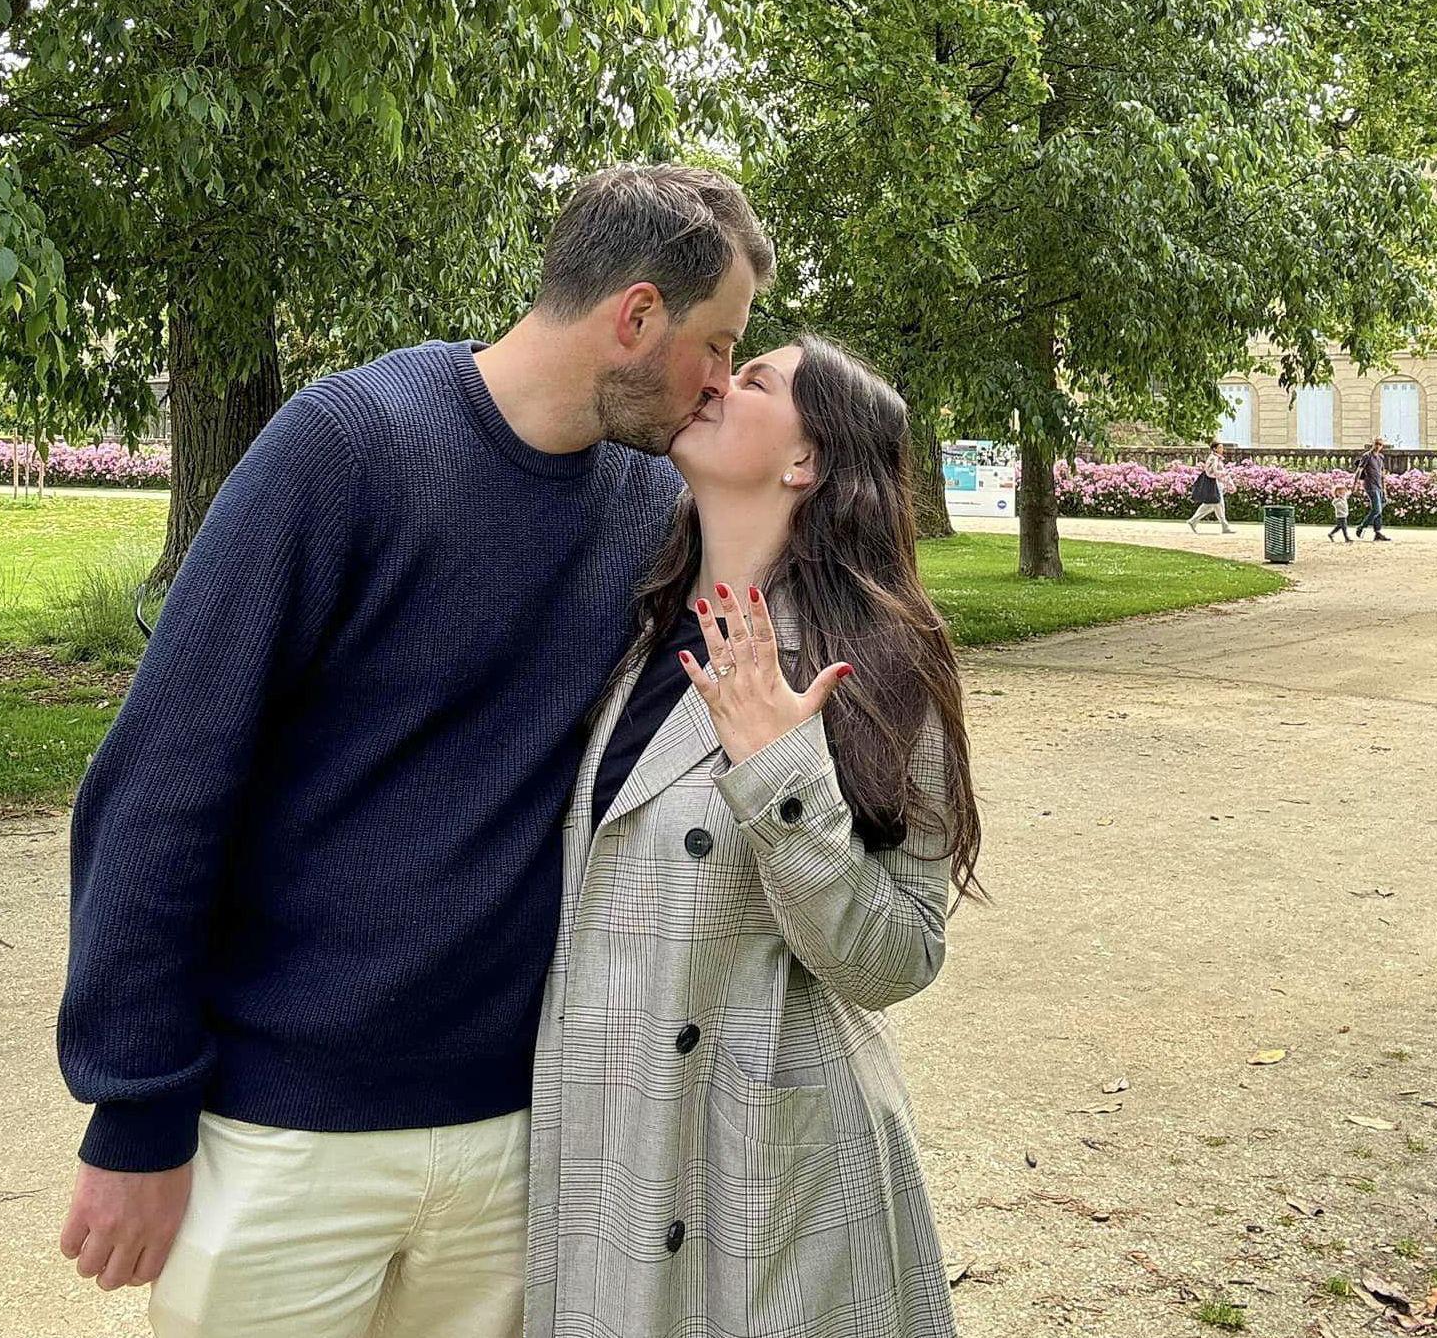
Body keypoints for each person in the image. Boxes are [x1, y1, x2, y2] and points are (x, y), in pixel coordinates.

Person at [55, 163, 775, 1338]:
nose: (719, 382)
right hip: (285, 1138)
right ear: (636, 315)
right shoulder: (347, 447)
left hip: (513, 1138)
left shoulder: (649, 510)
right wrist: (134, 1112)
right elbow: (163, 782)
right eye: (717, 342)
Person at [526, 335, 983, 1337]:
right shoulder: (631, 627)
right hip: (615, 1150)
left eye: (757, 379)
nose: (718, 383)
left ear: (804, 460)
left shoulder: (876, 657)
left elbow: (901, 953)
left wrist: (784, 780)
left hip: (775, 1184)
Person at [1187, 440, 1236, 534]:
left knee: (1212, 505)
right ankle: (1224, 526)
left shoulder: (1216, 458)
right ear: (1215, 449)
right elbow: (1213, 472)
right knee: (1217, 504)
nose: (1222, 449)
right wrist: (1226, 475)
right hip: (1213, 484)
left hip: (1215, 483)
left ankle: (1193, 521)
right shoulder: (1214, 458)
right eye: (1220, 447)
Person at [1354, 437, 1393, 540]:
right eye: (1376, 444)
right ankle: (1361, 527)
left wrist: (1384, 490)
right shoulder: (1367, 456)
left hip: (1379, 486)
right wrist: (1355, 484)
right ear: (1373, 444)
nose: (1378, 446)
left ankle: (1378, 533)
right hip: (1370, 485)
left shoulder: (1380, 457)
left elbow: (1382, 475)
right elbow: (1359, 470)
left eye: (1380, 444)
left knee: (1380, 507)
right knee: (1377, 509)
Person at [1328, 475, 1354, 543]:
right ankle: (1346, 538)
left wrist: (1352, 487)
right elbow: (1334, 503)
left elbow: (1348, 493)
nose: (1342, 493)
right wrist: (1339, 498)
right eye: (1339, 492)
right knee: (1344, 527)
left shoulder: (1344, 498)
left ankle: (1331, 534)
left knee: (1339, 526)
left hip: (1344, 514)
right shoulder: (1336, 500)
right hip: (1340, 516)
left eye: (1343, 492)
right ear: (1336, 493)